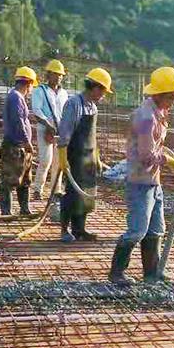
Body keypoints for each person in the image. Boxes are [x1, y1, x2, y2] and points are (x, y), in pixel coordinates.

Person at [108, 66, 174, 284]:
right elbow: (146, 155)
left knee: (155, 229)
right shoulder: (146, 118)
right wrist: (169, 160)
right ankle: (116, 273)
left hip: (152, 181)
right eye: (171, 97)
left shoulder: (157, 112)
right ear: (159, 94)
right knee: (137, 231)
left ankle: (152, 273)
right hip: (140, 181)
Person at [56, 67, 113, 242]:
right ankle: (65, 230)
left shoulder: (93, 107)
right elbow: (65, 132)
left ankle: (79, 230)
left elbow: (92, 137)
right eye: (103, 91)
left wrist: (97, 158)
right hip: (75, 156)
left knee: (86, 193)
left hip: (89, 158)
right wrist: (63, 157)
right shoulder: (74, 104)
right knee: (72, 193)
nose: (103, 96)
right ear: (95, 87)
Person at [0, 66, 38, 217]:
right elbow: (18, 121)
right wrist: (27, 142)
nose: (31, 90)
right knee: (9, 180)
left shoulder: (17, 97)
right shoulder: (16, 97)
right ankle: (6, 212)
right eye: (32, 85)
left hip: (20, 148)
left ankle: (24, 209)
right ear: (28, 83)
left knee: (25, 180)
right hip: (14, 147)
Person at [30, 59, 68, 200]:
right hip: (44, 129)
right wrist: (48, 125)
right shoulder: (40, 91)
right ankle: (37, 189)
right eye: (55, 74)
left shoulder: (64, 93)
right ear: (49, 74)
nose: (58, 77)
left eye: (60, 75)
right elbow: (37, 110)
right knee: (45, 160)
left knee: (58, 162)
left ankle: (55, 190)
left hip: (59, 130)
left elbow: (65, 112)